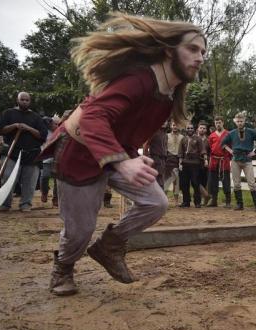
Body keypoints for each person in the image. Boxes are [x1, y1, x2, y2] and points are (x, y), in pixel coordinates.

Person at [37, 13, 206, 296]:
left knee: (155, 202)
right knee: (80, 231)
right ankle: (63, 268)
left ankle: (109, 246)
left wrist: (133, 156)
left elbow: (126, 132)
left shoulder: (167, 97)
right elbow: (93, 118)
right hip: (78, 153)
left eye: (203, 52)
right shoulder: (138, 79)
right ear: (168, 49)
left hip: (114, 154)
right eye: (192, 49)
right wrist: (122, 161)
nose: (200, 57)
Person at [0, 92, 48, 212]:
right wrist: (14, 126)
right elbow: (0, 130)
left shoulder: (36, 117)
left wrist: (28, 128)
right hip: (11, 152)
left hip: (31, 153)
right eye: (22, 99)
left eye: (27, 100)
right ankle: (5, 204)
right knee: (7, 177)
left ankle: (26, 204)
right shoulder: (8, 113)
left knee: (29, 181)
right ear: (17, 100)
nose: (24, 102)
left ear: (30, 101)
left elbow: (42, 135)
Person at [220, 112, 256, 212]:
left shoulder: (252, 132)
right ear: (235, 122)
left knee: (251, 183)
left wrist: (255, 152)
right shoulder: (231, 133)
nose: (239, 123)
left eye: (241, 121)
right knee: (236, 184)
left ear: (244, 121)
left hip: (247, 160)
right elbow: (223, 143)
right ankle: (240, 205)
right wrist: (230, 150)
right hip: (235, 160)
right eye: (238, 121)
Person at [179, 123, 208, 207]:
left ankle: (197, 202)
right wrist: (180, 163)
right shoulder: (183, 139)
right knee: (184, 184)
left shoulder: (198, 139)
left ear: (194, 129)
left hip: (195, 164)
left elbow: (203, 150)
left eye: (191, 128)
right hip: (185, 164)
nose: (190, 129)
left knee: (195, 183)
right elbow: (180, 152)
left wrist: (206, 160)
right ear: (186, 129)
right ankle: (186, 202)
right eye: (188, 128)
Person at [206, 116, 232, 207]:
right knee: (213, 181)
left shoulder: (228, 134)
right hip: (214, 160)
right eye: (216, 123)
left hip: (224, 160)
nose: (218, 124)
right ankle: (214, 200)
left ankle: (228, 201)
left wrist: (229, 158)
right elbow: (209, 148)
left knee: (226, 180)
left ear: (223, 123)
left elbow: (231, 147)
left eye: (219, 122)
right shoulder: (211, 135)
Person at [40, 115, 61, 207]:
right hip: (46, 159)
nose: (55, 125)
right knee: (45, 176)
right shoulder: (45, 132)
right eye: (54, 124)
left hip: (58, 158)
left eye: (57, 124)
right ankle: (44, 192)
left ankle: (56, 198)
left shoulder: (61, 131)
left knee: (57, 180)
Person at [143, 123, 168, 190]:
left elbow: (165, 148)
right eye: (163, 121)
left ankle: (160, 198)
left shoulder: (165, 134)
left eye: (166, 121)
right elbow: (145, 145)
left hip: (163, 160)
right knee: (153, 180)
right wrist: (147, 158)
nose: (165, 122)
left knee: (161, 181)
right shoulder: (153, 132)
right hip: (155, 158)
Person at [164, 120, 182, 204]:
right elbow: (164, 148)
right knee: (167, 180)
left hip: (178, 160)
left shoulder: (182, 137)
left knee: (177, 181)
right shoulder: (166, 136)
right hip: (168, 160)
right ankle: (164, 200)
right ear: (171, 126)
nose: (175, 127)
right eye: (174, 125)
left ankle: (176, 200)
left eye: (177, 125)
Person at [196, 120, 211, 205]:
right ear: (197, 129)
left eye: (204, 128)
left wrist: (207, 160)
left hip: (205, 163)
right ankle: (206, 195)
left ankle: (203, 200)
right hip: (194, 162)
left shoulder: (208, 140)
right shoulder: (193, 138)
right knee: (195, 181)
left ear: (206, 130)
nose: (202, 129)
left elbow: (210, 152)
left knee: (204, 181)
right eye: (200, 128)